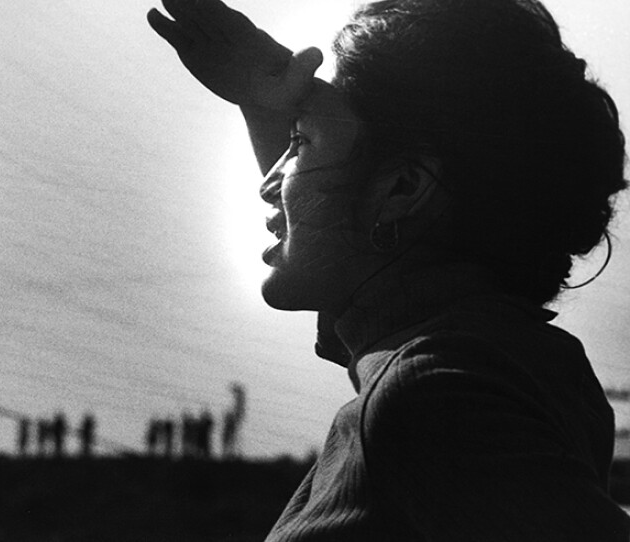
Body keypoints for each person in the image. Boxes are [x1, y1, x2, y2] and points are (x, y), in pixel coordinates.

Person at [148, 0, 630, 539]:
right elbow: (372, 299)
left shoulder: (430, 402)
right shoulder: (501, 363)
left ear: (403, 189)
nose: (269, 183)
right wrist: (273, 113)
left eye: (299, 144)